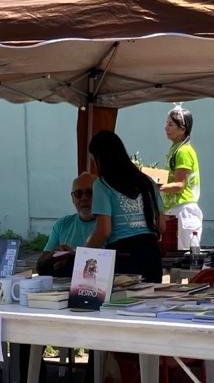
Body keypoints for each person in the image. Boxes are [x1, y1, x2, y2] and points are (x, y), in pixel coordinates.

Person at [84, 130, 164, 283]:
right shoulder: (148, 182)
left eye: (94, 161)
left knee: (122, 298)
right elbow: (162, 226)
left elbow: (104, 231)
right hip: (152, 254)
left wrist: (84, 253)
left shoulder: (102, 185)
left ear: (100, 159)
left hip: (123, 257)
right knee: (151, 296)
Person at [159, 105, 203, 253]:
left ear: (182, 129)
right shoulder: (176, 148)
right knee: (172, 256)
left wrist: (156, 186)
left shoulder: (183, 151)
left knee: (183, 256)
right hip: (175, 210)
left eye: (170, 124)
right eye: (166, 123)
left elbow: (179, 185)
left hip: (183, 210)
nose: (166, 127)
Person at [36, 173, 97, 277]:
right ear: (73, 198)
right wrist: (55, 255)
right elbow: (40, 266)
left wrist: (73, 258)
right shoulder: (62, 224)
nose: (84, 198)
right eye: (78, 193)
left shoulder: (109, 226)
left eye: (89, 192)